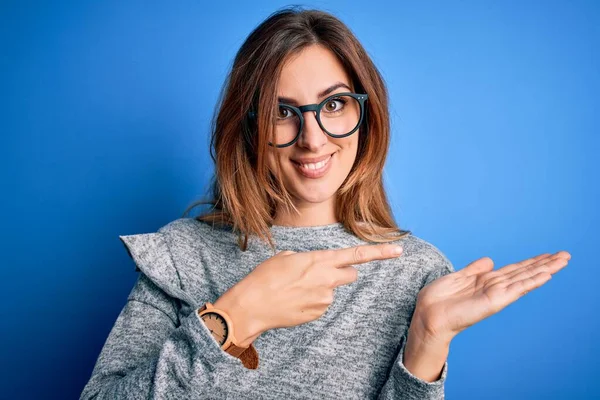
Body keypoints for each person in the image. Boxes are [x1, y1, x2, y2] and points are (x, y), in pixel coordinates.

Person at [80, 6, 571, 400]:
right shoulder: (181, 255)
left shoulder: (418, 274)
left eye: (333, 104)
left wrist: (426, 341)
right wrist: (235, 319)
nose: (312, 139)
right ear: (249, 127)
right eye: (283, 111)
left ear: (365, 113)